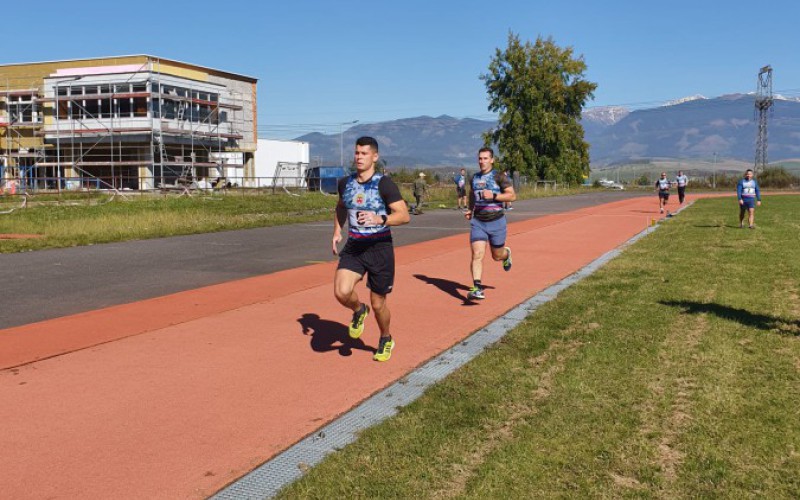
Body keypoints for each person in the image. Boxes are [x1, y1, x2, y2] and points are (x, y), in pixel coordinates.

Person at [332, 136, 410, 362]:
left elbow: (403, 216)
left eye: (364, 153)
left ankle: (386, 338)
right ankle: (358, 310)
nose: (359, 157)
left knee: (378, 304)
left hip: (379, 248)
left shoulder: (384, 184)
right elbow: (340, 207)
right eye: (357, 153)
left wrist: (379, 218)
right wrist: (337, 231)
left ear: (375, 157)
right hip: (355, 246)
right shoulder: (345, 183)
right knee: (341, 292)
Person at [464, 147, 516, 300]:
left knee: (496, 256)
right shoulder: (474, 177)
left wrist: (493, 195)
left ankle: (506, 254)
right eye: (480, 158)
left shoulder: (499, 176)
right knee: (477, 254)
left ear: (492, 160)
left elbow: (512, 196)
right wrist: (470, 209)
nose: (482, 161)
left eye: (485, 158)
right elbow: (472, 195)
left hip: (497, 222)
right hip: (478, 222)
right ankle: (477, 288)